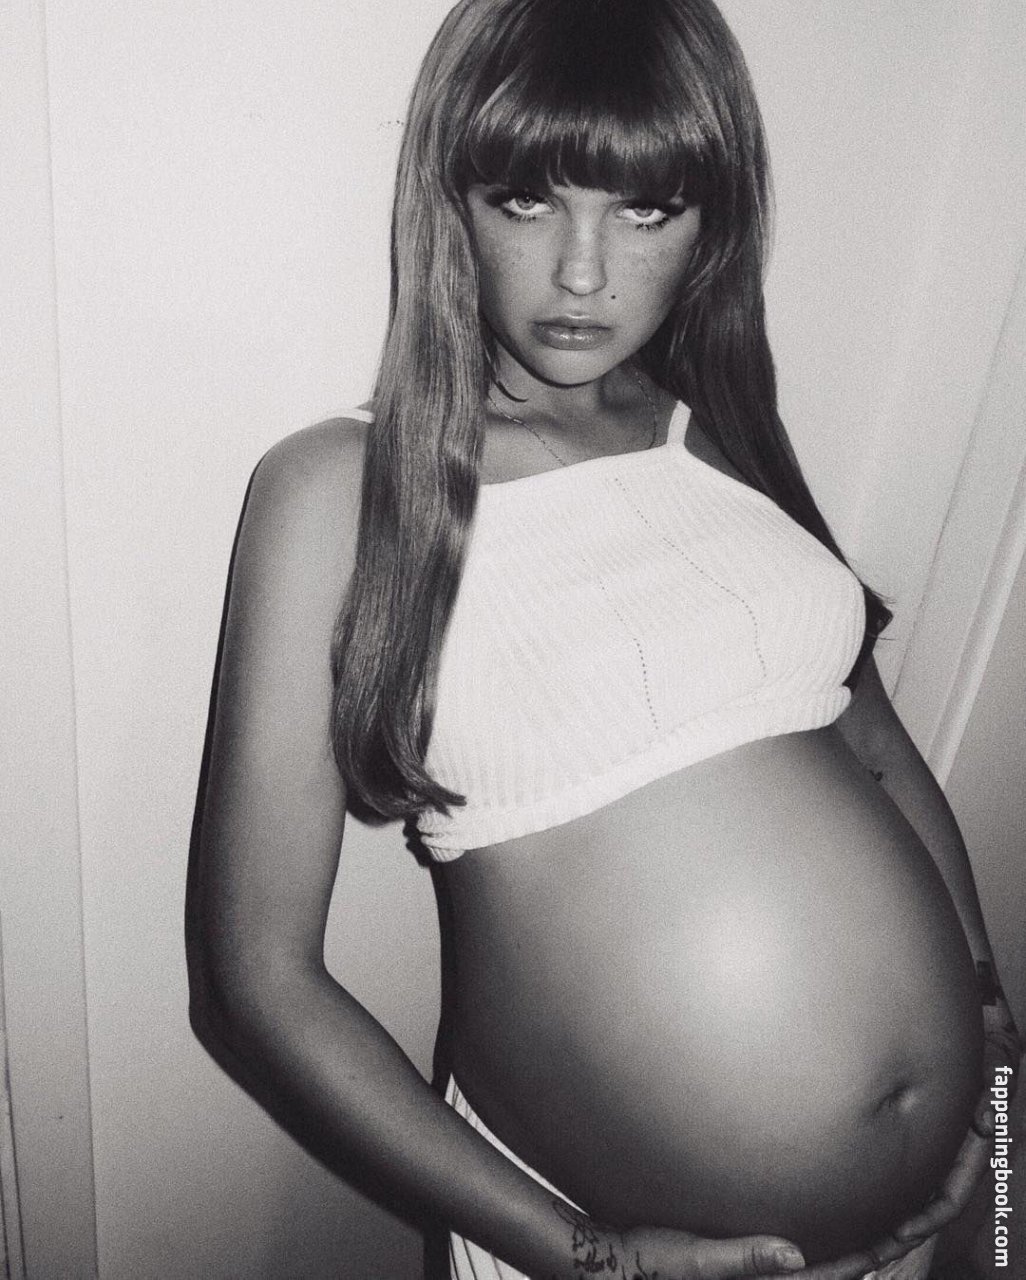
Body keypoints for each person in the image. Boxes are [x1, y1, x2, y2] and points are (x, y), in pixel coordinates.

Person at [186, 1, 1023, 1277]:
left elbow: (872, 743)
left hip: (943, 1202)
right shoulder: (341, 490)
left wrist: (991, 1038)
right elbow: (255, 978)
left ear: (710, 222)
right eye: (528, 200)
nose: (582, 273)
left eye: (645, 209)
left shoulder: (716, 427)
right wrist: (591, 1256)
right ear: (451, 201)